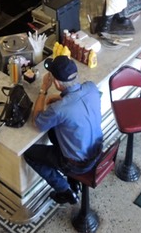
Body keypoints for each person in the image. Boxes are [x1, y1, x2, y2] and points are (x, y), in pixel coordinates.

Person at [24, 56, 103, 205]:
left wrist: (43, 91)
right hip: (97, 151)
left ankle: (65, 190)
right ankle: (73, 182)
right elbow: (76, 103)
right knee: (55, 130)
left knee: (29, 154)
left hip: (77, 164)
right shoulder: (91, 87)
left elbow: (37, 122)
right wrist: (61, 100)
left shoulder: (59, 110)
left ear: (56, 83)